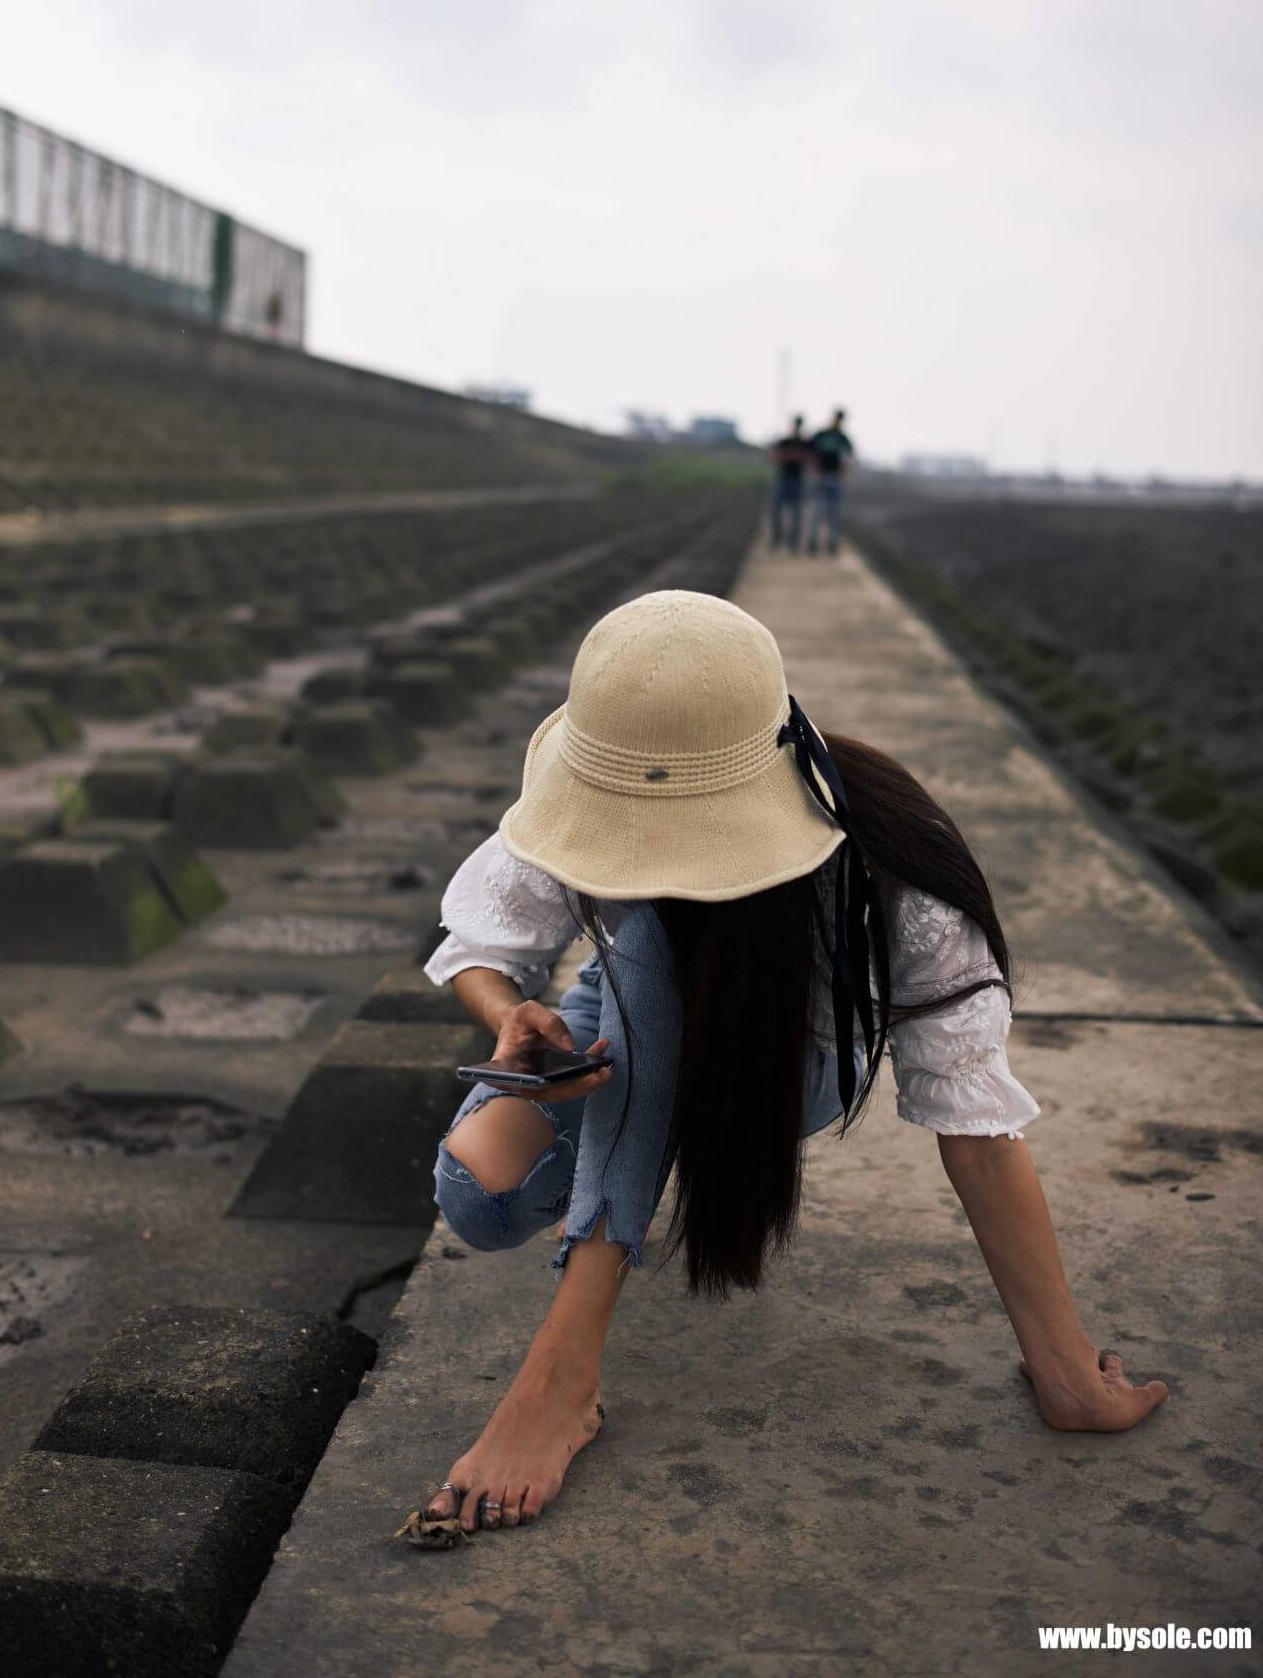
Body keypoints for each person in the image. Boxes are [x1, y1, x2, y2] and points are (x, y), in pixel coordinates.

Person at [421, 590, 1168, 1534]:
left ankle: (560, 1378)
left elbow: (980, 1139)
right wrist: (511, 1015)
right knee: (483, 1199)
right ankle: (617, 1197)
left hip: (793, 1059)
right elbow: (483, 943)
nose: (640, 858)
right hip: (613, 1028)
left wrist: (1065, 1373)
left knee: (646, 947)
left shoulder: (900, 876)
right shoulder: (618, 765)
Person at [806, 407, 854, 554]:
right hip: (821, 477)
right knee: (818, 512)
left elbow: (849, 456)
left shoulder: (842, 437)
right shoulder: (821, 435)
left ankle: (833, 544)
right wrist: (814, 470)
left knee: (835, 514)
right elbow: (809, 452)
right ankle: (813, 542)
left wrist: (844, 472)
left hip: (835, 479)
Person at [768, 414, 810, 552]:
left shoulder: (804, 444)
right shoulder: (785, 442)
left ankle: (793, 543)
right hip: (783, 479)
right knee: (776, 512)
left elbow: (810, 460)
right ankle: (777, 540)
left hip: (797, 481)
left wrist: (799, 459)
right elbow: (773, 456)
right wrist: (785, 457)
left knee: (797, 514)